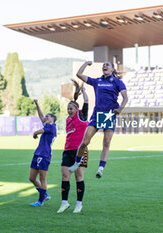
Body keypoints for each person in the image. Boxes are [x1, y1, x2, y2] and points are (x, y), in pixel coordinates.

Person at [68, 61, 128, 179]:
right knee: (85, 141)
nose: (104, 66)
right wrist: (86, 63)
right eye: (103, 65)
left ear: (112, 69)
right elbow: (79, 74)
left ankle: (101, 168)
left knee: (106, 142)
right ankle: (76, 163)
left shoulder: (117, 82)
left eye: (107, 65)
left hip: (109, 114)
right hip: (97, 114)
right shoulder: (97, 81)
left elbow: (125, 97)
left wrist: (120, 109)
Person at [57, 80, 89, 214]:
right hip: (67, 151)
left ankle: (79, 204)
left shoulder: (81, 117)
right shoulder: (67, 119)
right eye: (68, 109)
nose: (69, 110)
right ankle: (64, 203)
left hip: (80, 151)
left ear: (77, 110)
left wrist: (85, 91)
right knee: (65, 176)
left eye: (71, 108)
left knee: (78, 177)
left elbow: (87, 102)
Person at [29, 100, 57, 207]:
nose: (46, 118)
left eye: (48, 117)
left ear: (53, 119)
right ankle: (44, 195)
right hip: (37, 154)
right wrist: (37, 105)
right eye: (46, 117)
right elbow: (41, 116)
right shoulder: (47, 125)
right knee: (31, 178)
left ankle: (40, 201)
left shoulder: (52, 127)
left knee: (42, 178)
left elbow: (38, 131)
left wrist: (35, 133)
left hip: (44, 155)